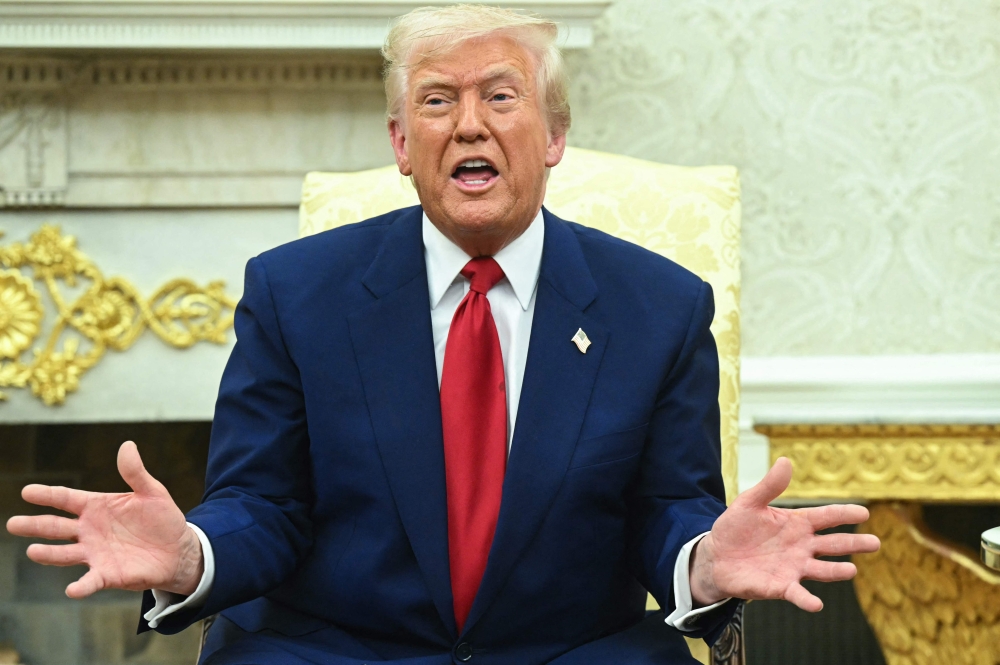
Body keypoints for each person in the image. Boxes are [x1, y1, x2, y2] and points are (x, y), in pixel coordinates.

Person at [5, 6, 879, 665]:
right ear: (401, 143)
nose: (468, 123)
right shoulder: (295, 291)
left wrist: (704, 561)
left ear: (554, 136)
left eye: (500, 95)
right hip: (336, 649)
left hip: (566, 650)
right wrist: (191, 555)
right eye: (436, 100)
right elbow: (263, 502)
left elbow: (666, 508)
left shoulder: (659, 307)